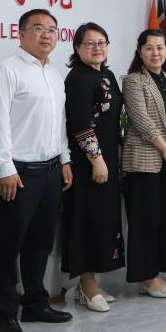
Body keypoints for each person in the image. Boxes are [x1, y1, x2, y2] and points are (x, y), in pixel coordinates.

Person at [0, 8, 74, 332]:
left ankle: (35, 303)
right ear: (21, 33)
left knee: (40, 242)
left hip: (50, 170)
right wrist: (5, 168)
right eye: (38, 28)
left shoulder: (53, 73)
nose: (46, 35)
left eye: (52, 29)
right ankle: (5, 314)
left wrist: (65, 159)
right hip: (18, 174)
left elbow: (59, 123)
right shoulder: (7, 69)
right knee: (9, 245)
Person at [122, 29, 166, 299]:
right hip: (145, 159)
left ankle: (156, 273)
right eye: (149, 48)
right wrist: (165, 150)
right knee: (145, 220)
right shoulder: (133, 80)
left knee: (164, 218)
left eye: (160, 48)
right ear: (140, 51)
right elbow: (141, 120)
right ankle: (145, 277)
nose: (155, 53)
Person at [62, 23, 125, 313]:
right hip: (87, 163)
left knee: (103, 218)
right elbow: (79, 124)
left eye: (102, 42)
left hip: (109, 158)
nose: (97, 48)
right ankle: (87, 283)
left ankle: (88, 284)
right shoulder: (77, 78)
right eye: (90, 43)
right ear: (77, 48)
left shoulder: (106, 75)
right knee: (85, 219)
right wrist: (96, 159)